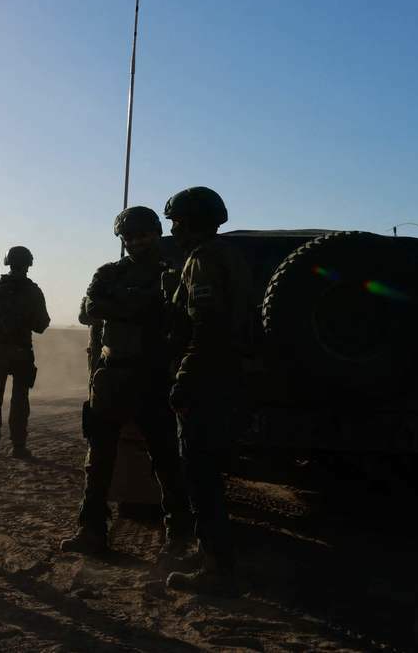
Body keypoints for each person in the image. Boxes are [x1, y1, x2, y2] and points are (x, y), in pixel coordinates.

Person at [60, 206, 193, 563]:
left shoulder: (172, 273)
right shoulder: (109, 272)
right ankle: (91, 531)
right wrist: (138, 306)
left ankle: (179, 537)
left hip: (153, 375)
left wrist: (118, 306)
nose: (136, 242)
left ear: (156, 233)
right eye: (130, 236)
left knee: (166, 459)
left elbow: (177, 317)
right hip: (113, 373)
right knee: (99, 459)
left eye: (143, 234)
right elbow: (88, 310)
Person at [161, 186, 251, 597]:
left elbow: (206, 328)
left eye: (177, 221)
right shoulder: (228, 255)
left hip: (207, 379)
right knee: (205, 473)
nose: (174, 229)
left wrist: (184, 379)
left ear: (192, 221)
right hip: (227, 376)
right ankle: (213, 555)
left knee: (199, 475)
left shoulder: (203, 260)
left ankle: (217, 566)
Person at [0, 246, 51, 458]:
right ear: (28, 264)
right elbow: (41, 325)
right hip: (22, 350)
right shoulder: (33, 291)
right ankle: (18, 446)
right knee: (20, 399)